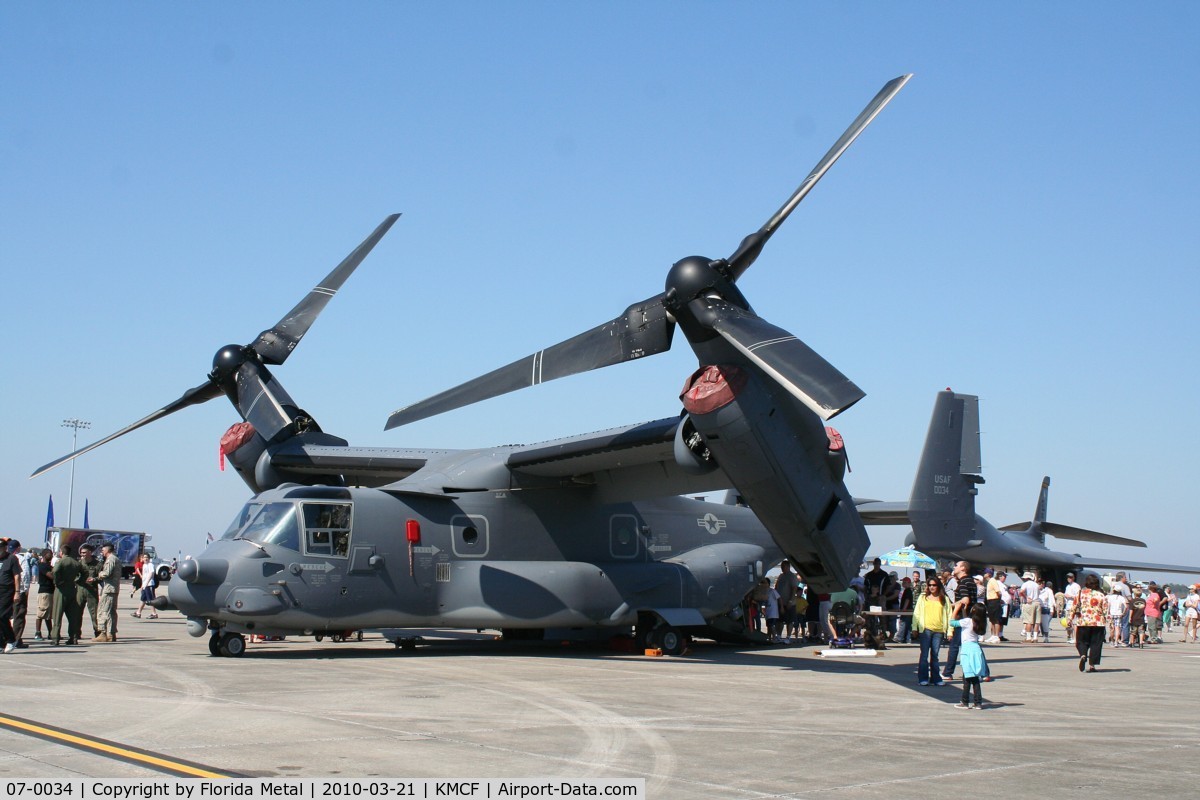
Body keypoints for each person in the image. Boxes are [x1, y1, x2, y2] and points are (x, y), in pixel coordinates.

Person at [951, 604, 989, 709]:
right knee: (975, 678)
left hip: (967, 649)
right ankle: (978, 702)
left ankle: (965, 701)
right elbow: (966, 620)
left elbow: (952, 623)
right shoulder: (980, 622)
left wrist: (956, 610)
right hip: (976, 649)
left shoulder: (967, 621)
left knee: (967, 678)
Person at [913, 576, 950, 686]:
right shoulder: (923, 597)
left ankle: (936, 678)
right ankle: (923, 678)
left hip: (939, 630)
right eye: (930, 585)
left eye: (934, 585)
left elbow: (949, 615)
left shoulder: (944, 598)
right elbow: (917, 613)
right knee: (924, 654)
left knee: (935, 655)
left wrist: (950, 631)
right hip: (926, 629)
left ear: (938, 586)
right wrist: (914, 627)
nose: (932, 587)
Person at [942, 560, 976, 680]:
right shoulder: (971, 581)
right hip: (972, 618)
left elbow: (965, 600)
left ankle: (948, 672)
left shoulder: (962, 583)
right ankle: (979, 671)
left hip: (963, 619)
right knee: (970, 645)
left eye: (957, 565)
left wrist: (952, 607)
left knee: (954, 646)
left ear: (963, 568)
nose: (954, 567)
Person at [1070, 573, 1108, 672]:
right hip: (1098, 623)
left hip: (1083, 622)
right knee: (1096, 644)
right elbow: (1105, 610)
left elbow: (1073, 607)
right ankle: (1092, 665)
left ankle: (1083, 655)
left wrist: (1070, 618)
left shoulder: (1080, 594)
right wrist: (1108, 620)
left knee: (1081, 641)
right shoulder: (1101, 595)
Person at [51, 544, 84, 645]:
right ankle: (73, 637)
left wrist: (57, 581)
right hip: (72, 589)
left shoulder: (61, 561)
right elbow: (84, 572)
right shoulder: (76, 563)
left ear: (61, 552)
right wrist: (78, 581)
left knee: (57, 615)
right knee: (72, 616)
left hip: (61, 590)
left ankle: (55, 638)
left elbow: (55, 571)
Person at [95, 542, 121, 642]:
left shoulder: (110, 559)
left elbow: (107, 573)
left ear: (108, 550)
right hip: (114, 588)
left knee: (104, 610)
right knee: (112, 612)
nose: (102, 551)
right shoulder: (116, 559)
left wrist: (99, 574)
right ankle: (112, 633)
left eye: (103, 549)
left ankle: (103, 633)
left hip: (109, 589)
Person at [10, 540, 33, 649]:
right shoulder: (21, 558)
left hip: (6, 591)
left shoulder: (5, 558)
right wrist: (25, 589)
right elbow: (25, 574)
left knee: (6, 616)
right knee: (19, 615)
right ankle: (15, 639)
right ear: (18, 548)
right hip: (19, 591)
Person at [77, 544, 102, 638]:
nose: (82, 554)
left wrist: (94, 579)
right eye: (81, 553)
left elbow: (101, 576)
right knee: (77, 613)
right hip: (80, 589)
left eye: (84, 552)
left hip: (92, 590)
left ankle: (97, 632)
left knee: (94, 613)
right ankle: (76, 632)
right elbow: (74, 575)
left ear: (90, 553)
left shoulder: (98, 564)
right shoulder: (79, 563)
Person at [0, 538, 19, 653]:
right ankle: (1, 644)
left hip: (7, 590)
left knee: (2, 616)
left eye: (1, 547)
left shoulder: (11, 558)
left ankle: (11, 639)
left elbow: (17, 576)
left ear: (5, 548)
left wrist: (17, 592)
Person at [774, 560, 798, 644]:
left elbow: (794, 589)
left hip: (789, 603)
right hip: (780, 602)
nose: (781, 568)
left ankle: (788, 637)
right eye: (781, 566)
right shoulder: (780, 576)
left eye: (783, 566)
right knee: (779, 620)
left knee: (789, 621)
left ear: (788, 566)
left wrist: (790, 601)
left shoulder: (792, 576)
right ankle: (779, 636)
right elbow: (776, 588)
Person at [33, 548, 55, 640]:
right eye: (50, 554)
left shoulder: (49, 566)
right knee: (41, 613)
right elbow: (51, 576)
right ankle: (37, 633)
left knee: (48, 615)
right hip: (44, 592)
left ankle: (51, 633)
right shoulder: (43, 566)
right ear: (45, 555)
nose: (51, 556)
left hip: (50, 591)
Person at [131, 553, 159, 619]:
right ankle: (138, 613)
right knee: (143, 599)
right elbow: (144, 576)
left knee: (151, 600)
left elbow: (151, 573)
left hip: (150, 585)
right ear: (142, 559)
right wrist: (142, 585)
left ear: (149, 559)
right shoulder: (144, 565)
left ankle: (154, 614)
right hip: (145, 585)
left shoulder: (150, 565)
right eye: (144, 557)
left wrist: (146, 583)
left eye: (147, 557)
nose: (145, 559)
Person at [1019, 571, 1041, 642]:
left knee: (1028, 621)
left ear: (1026, 578)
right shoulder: (1036, 585)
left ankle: (1028, 637)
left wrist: (1026, 597)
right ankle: (1035, 637)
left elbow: (1021, 592)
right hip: (1037, 602)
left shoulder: (1025, 584)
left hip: (1030, 603)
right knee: (1036, 621)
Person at [896, 577, 915, 644]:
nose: (903, 583)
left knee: (903, 624)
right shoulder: (907, 590)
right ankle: (907, 638)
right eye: (903, 582)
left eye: (905, 582)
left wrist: (904, 609)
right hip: (908, 610)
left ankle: (900, 638)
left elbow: (907, 600)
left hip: (906, 610)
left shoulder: (908, 590)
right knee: (907, 625)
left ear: (909, 583)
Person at [1063, 572, 1081, 643]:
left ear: (1073, 578)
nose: (1069, 579)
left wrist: (1070, 596)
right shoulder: (1067, 586)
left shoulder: (1076, 586)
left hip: (1073, 606)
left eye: (1070, 577)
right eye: (1068, 577)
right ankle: (1069, 637)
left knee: (1074, 623)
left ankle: (1075, 638)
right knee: (1068, 623)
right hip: (1068, 606)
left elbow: (1078, 596)